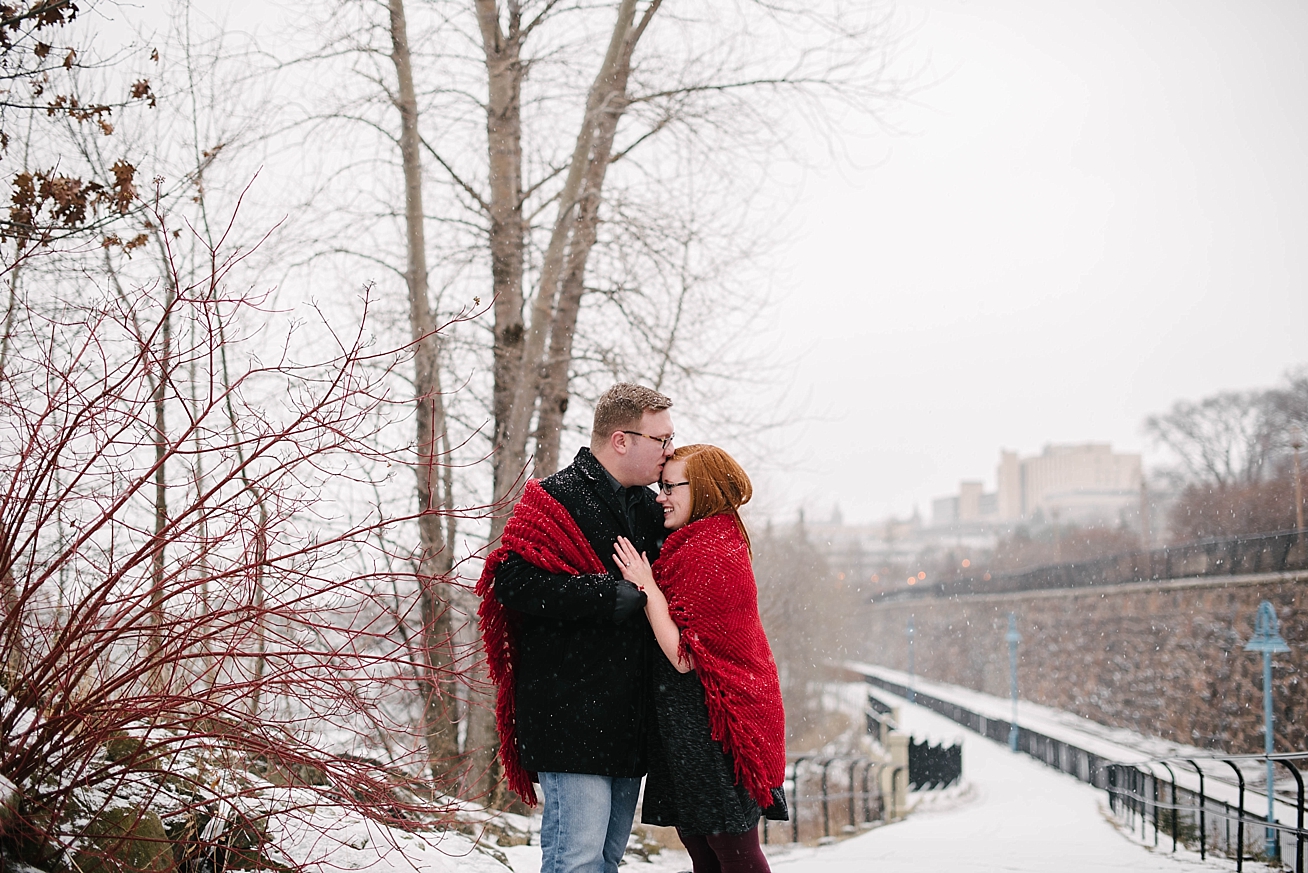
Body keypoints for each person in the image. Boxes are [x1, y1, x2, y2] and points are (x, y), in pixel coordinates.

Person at [476, 383, 675, 873]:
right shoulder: (553, 498)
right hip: (570, 713)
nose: (670, 452)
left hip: (630, 721)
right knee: (576, 859)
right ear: (622, 440)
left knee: (605, 859)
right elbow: (510, 580)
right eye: (662, 440)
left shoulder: (654, 510)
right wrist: (608, 596)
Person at [612, 444, 787, 873]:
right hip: (690, 724)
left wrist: (647, 586)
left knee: (733, 851)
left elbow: (684, 658)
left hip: (719, 727)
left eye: (671, 486)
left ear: (704, 489)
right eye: (660, 485)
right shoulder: (693, 543)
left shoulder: (711, 554)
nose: (660, 496)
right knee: (706, 850)